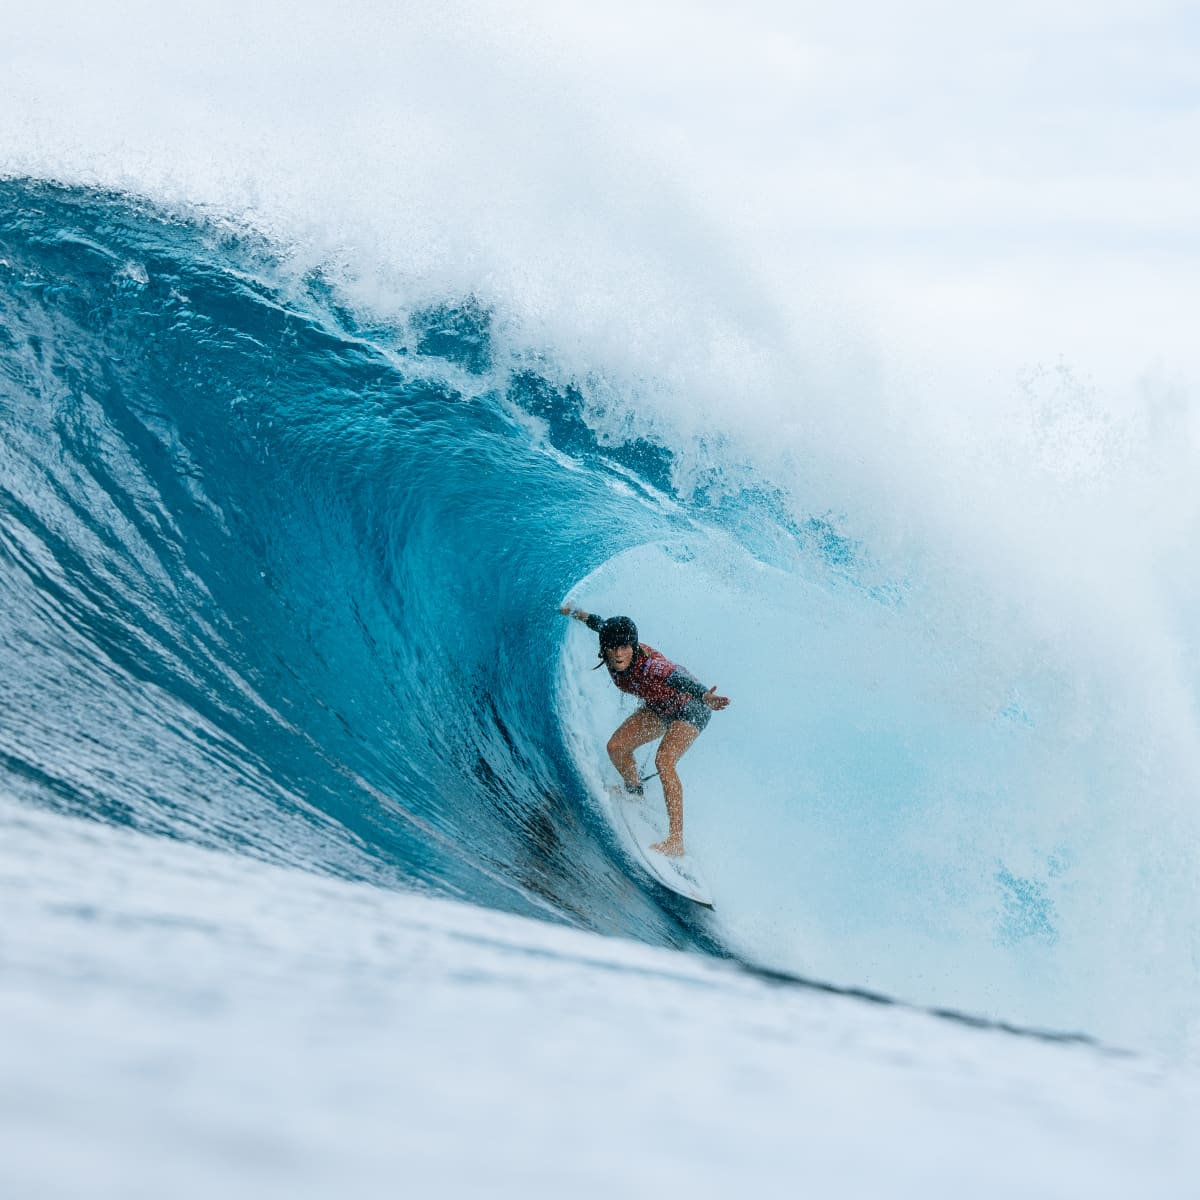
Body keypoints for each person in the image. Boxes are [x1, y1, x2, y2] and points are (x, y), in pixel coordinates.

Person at [560, 605, 730, 857]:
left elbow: (677, 680)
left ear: (633, 646)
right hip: (659, 708)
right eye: (613, 647)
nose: (618, 654)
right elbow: (598, 622)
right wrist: (574, 612)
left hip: (691, 708)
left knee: (664, 760)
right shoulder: (610, 640)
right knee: (616, 748)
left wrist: (704, 695)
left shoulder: (651, 666)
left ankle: (675, 842)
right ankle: (634, 790)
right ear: (605, 646)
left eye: (624, 647)